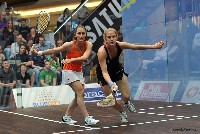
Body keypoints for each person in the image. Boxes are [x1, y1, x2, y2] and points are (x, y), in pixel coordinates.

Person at [31, 25, 99, 126]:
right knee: (80, 92)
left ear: (85, 35)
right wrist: (39, 53)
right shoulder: (69, 45)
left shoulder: (88, 44)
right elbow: (55, 50)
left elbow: (85, 57)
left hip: (78, 71)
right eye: (79, 33)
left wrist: (71, 59)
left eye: (83, 33)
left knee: (78, 96)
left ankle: (66, 117)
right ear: (75, 35)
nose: (81, 35)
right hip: (68, 71)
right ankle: (87, 118)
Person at [96, 28, 164, 123]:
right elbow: (104, 72)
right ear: (105, 39)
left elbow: (136, 47)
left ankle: (127, 102)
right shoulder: (101, 51)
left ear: (117, 37)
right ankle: (122, 112)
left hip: (117, 71)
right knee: (111, 101)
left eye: (114, 37)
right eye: (109, 37)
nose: (112, 39)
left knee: (126, 96)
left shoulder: (120, 45)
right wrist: (111, 84)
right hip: (104, 74)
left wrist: (154, 46)